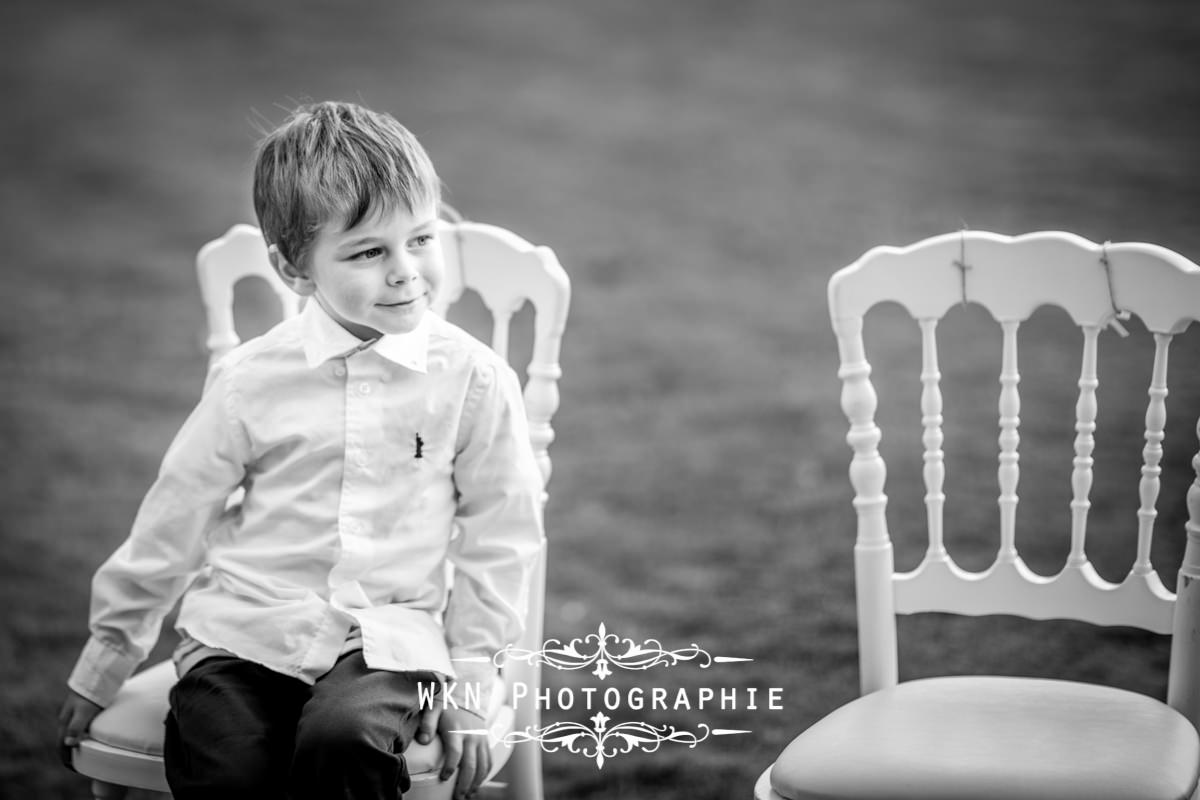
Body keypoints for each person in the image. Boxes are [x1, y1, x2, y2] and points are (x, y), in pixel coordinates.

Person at [56, 100, 546, 800]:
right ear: (294, 270)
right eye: (369, 251)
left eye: (422, 238)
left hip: (388, 637)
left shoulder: (471, 379)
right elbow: (174, 519)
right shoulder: (252, 380)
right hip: (244, 627)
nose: (406, 271)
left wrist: (471, 679)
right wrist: (104, 663)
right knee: (226, 760)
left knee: (342, 740)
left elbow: (502, 535)